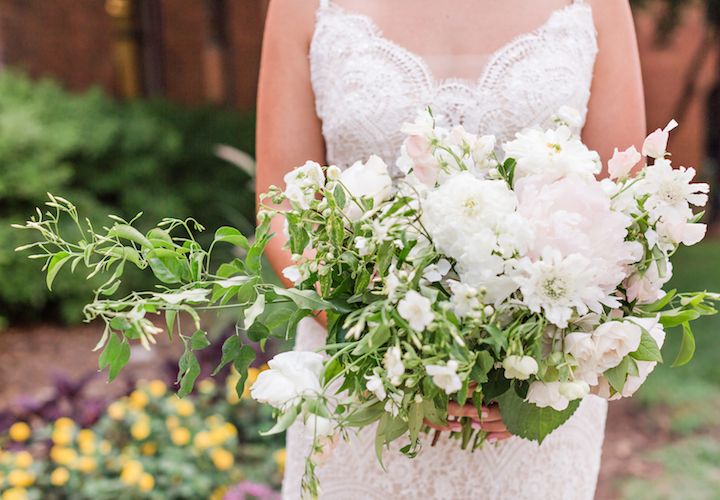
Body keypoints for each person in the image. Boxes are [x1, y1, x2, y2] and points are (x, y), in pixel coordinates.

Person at [255, 0, 646, 498]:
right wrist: (389, 346)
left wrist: (546, 365)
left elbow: (622, 205)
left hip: (531, 392)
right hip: (362, 383)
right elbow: (282, 208)